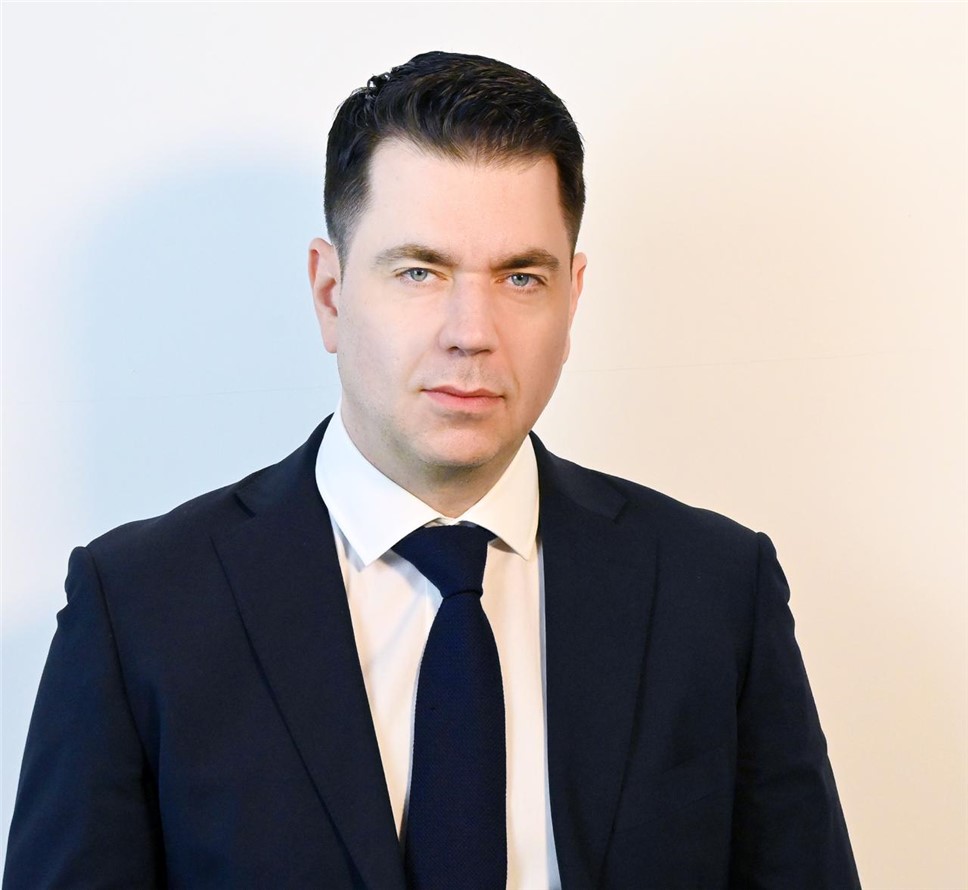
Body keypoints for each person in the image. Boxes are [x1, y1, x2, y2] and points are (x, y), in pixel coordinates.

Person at [4, 51, 860, 889]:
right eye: (419, 271)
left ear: (572, 298)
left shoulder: (715, 589)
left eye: (520, 278)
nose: (471, 333)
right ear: (330, 292)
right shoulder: (141, 607)